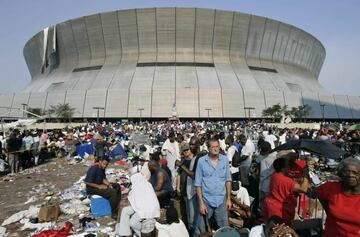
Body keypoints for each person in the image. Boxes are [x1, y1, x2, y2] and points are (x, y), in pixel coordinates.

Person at [316, 157, 360, 237]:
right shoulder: (331, 187)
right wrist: (329, 212)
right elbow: (318, 193)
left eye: (355, 173)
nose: (351, 175)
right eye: (347, 172)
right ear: (341, 174)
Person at [195, 138, 232, 232]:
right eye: (213, 147)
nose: (216, 149)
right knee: (202, 228)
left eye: (217, 146)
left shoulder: (224, 160)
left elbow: (228, 180)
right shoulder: (201, 161)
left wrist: (228, 199)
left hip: (221, 200)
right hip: (206, 200)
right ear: (208, 148)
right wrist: (201, 203)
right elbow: (198, 184)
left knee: (224, 229)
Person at [262, 157, 310, 225]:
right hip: (280, 211)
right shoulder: (285, 180)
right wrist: (305, 174)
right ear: (283, 168)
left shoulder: (275, 175)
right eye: (288, 166)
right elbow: (304, 189)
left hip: (271, 207)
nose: (290, 168)